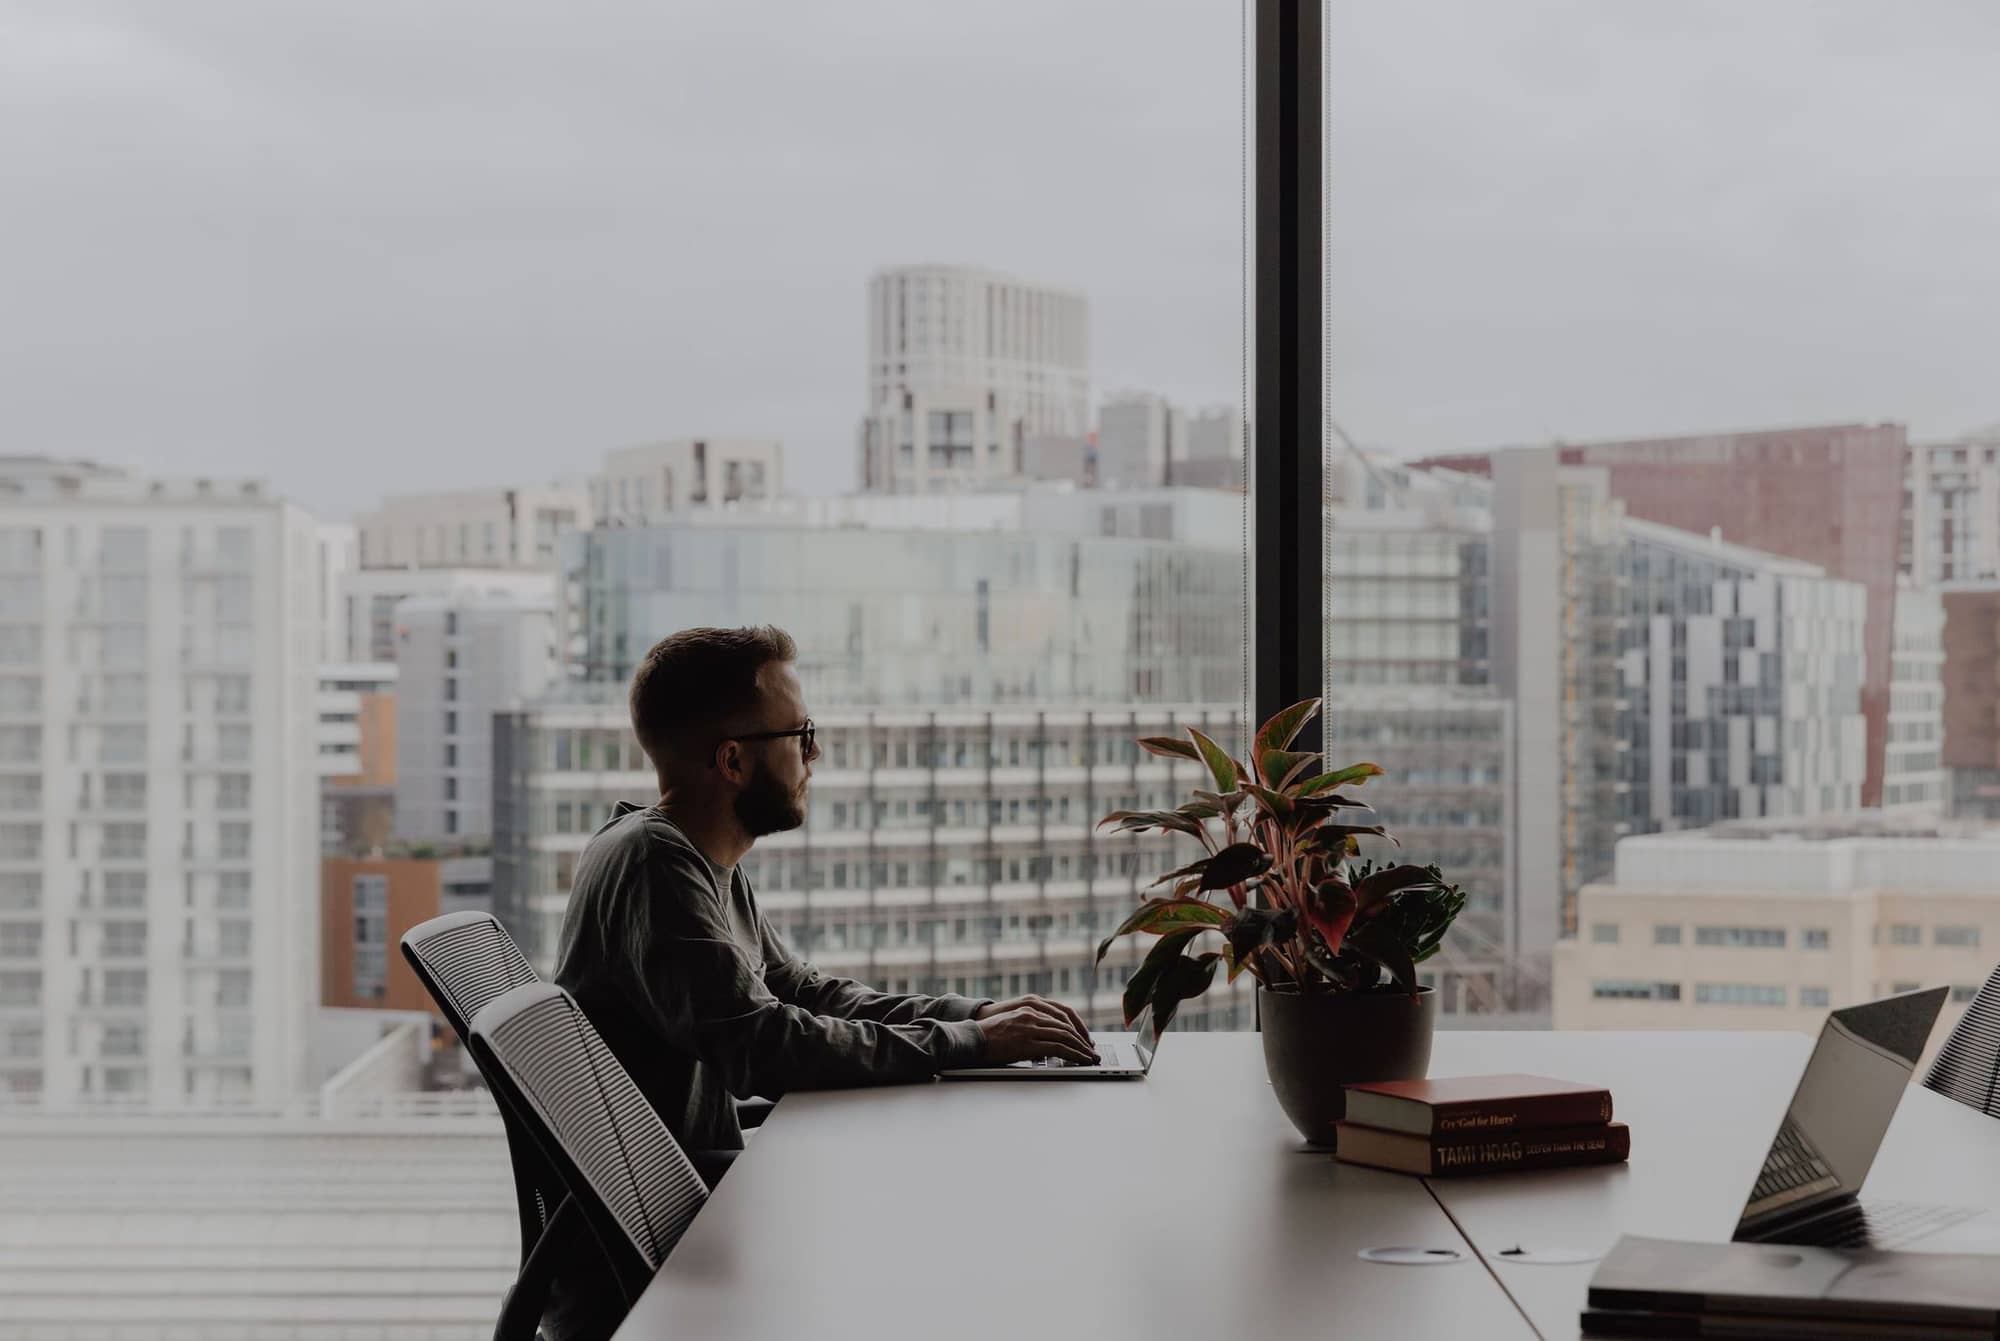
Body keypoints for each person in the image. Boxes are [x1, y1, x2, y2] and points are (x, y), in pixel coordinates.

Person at [554, 625, 1100, 1175]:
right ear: (733, 762)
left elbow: (805, 994)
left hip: (709, 1192)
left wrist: (974, 1017)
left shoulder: (696, 858)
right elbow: (763, 1047)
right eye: (800, 733)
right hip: (682, 1219)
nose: (815, 752)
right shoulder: (655, 864)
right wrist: (970, 1043)